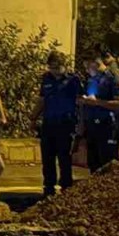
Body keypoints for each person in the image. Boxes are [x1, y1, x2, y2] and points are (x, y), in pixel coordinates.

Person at [31, 51, 82, 196]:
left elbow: (80, 102)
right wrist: (33, 117)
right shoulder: (46, 78)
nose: (54, 70)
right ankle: (49, 187)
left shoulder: (73, 80)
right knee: (48, 157)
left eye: (56, 67)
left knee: (64, 156)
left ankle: (66, 187)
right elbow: (42, 100)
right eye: (51, 67)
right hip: (49, 123)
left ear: (64, 65)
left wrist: (80, 125)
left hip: (66, 124)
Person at [81, 50, 119, 173]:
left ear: (96, 63)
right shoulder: (91, 80)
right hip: (92, 127)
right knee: (93, 162)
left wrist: (97, 102)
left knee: (108, 161)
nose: (86, 70)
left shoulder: (113, 77)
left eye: (88, 66)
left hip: (108, 126)